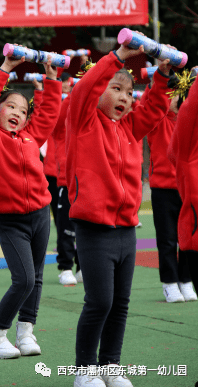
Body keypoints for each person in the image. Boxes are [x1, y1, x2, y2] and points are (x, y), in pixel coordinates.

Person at [65, 39, 173, 387]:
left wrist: (162, 77)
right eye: (116, 89)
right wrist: (117, 58)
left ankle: (111, 366)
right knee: (99, 301)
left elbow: (154, 107)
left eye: (130, 92)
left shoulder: (129, 128)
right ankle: (85, 370)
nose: (125, 97)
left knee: (120, 304)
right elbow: (84, 89)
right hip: (94, 229)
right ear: (99, 90)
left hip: (127, 228)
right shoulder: (83, 121)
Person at [0, 48, 61, 359]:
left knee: (35, 278)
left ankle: (26, 333)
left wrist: (52, 79)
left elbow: (48, 114)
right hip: (9, 220)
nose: (18, 113)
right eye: (10, 106)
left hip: (40, 214)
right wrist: (5, 67)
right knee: (22, 279)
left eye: (23, 110)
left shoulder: (29, 136)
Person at [141, 82, 196, 302]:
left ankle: (186, 280)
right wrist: (158, 83)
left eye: (179, 95)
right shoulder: (159, 121)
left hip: (186, 188)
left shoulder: (189, 123)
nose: (176, 99)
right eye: (172, 95)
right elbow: (149, 104)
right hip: (162, 189)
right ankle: (170, 282)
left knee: (189, 238)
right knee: (167, 239)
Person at [168, 68, 198, 295]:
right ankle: (172, 282)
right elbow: (189, 110)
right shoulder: (189, 154)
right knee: (166, 241)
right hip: (195, 239)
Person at [52, 72, 81, 285]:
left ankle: (83, 267)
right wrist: (72, 90)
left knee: (86, 227)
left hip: (88, 181)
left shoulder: (89, 121)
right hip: (64, 180)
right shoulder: (62, 120)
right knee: (65, 227)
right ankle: (65, 267)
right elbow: (61, 115)